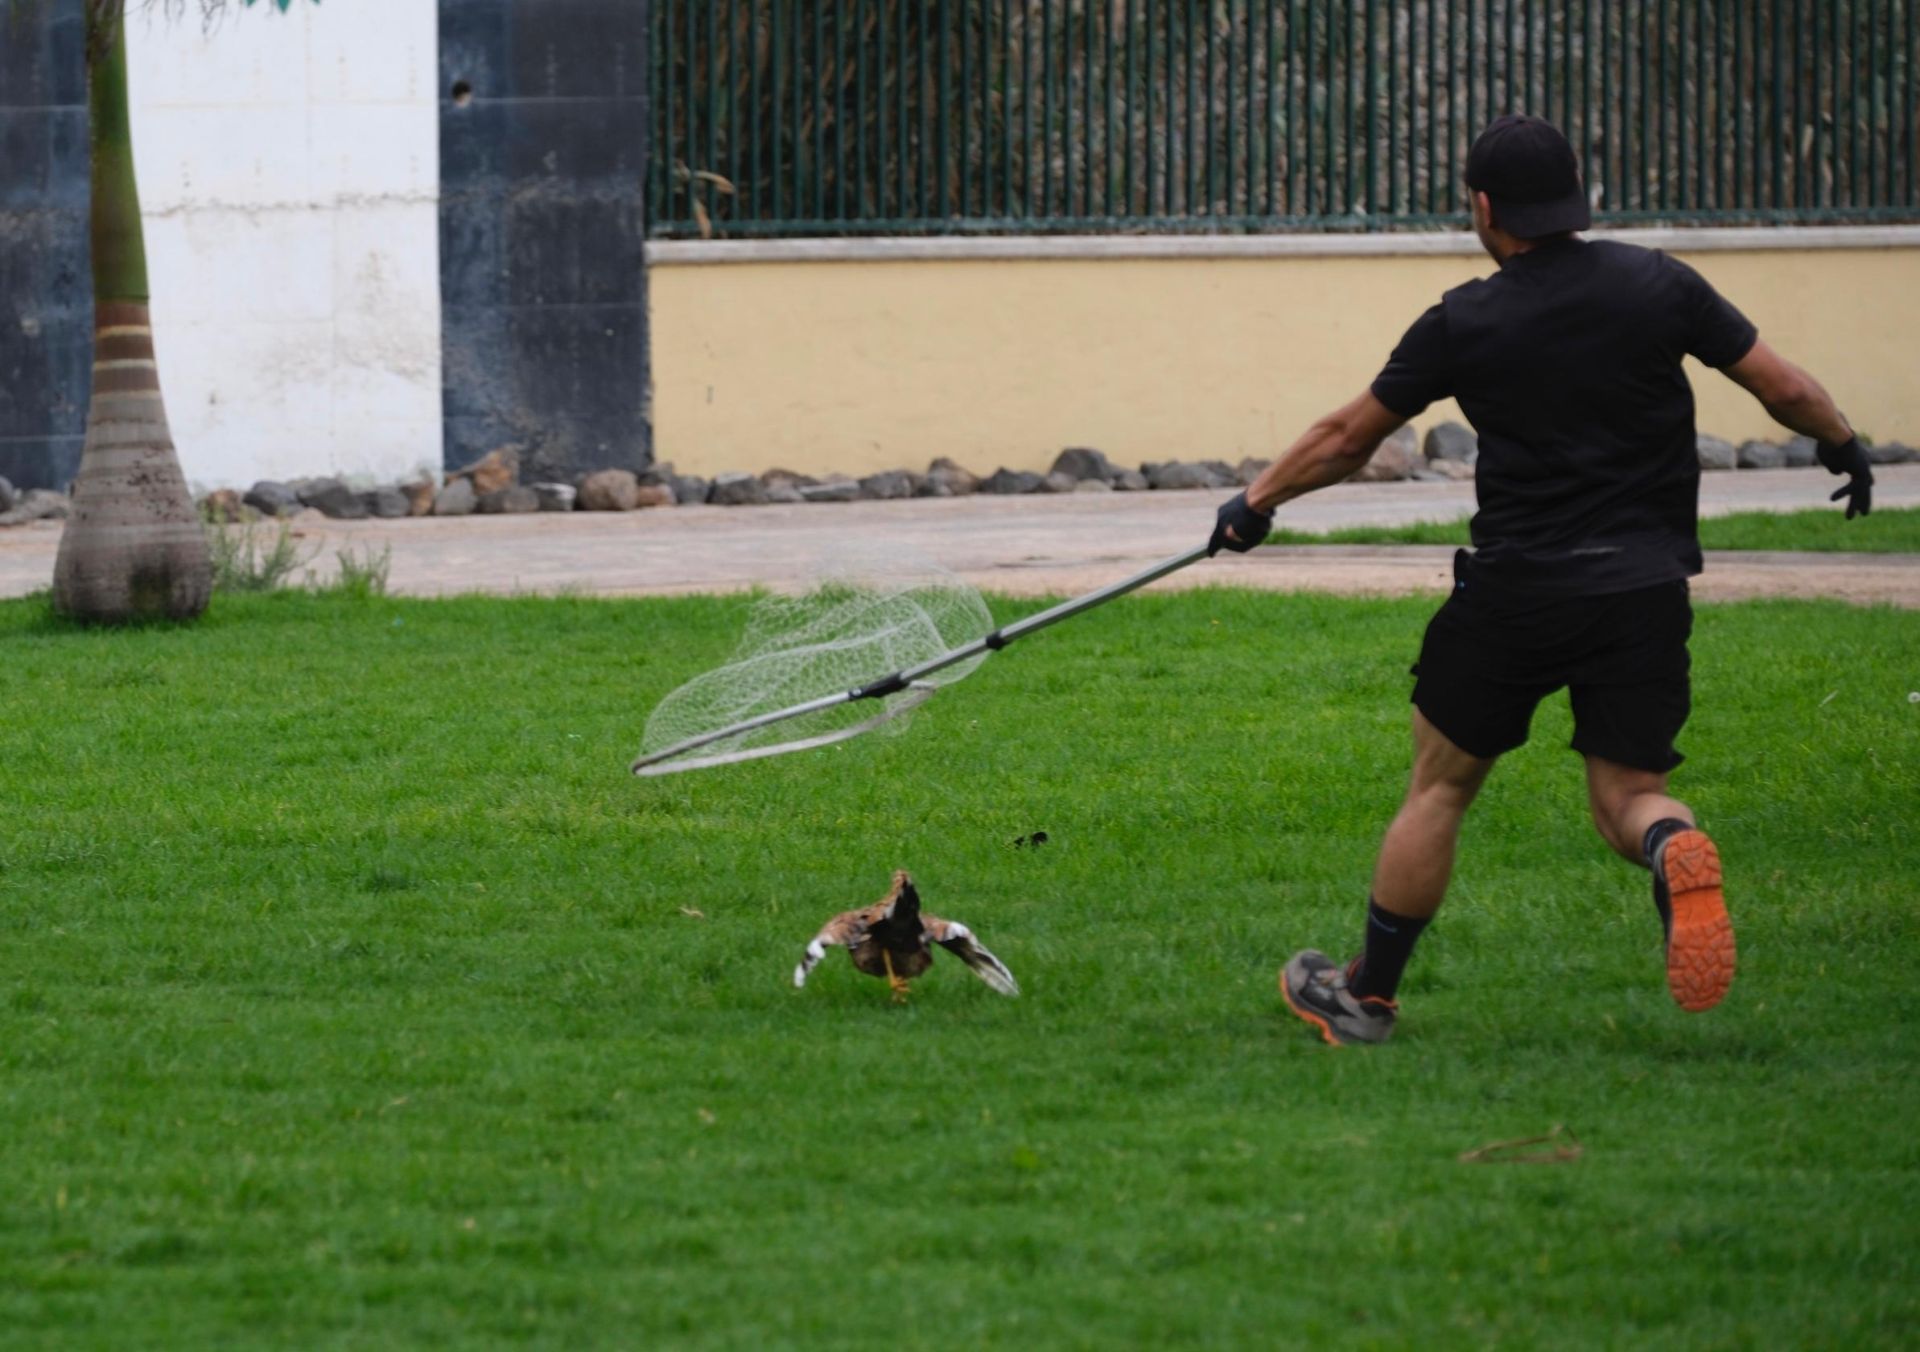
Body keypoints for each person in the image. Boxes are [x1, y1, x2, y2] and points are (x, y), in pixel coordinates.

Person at [1208, 114, 1875, 1047]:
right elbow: (1783, 385)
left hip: (1517, 591)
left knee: (1439, 788)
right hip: (1643, 591)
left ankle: (1370, 995)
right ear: (1576, 192)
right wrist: (1843, 441)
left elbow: (1346, 437)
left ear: (1484, 207)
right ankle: (1673, 845)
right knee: (1629, 794)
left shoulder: (1464, 318)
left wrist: (1256, 501)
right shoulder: (1661, 286)